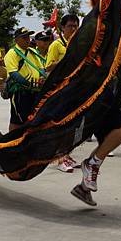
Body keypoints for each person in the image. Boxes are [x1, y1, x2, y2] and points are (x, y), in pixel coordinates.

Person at [71, 89, 121, 206]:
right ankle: (91, 165)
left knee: (107, 143)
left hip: (105, 97)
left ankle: (84, 188)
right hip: (93, 98)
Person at [45, 14, 81, 170]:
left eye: (75, 26)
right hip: (60, 88)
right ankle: (60, 159)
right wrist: (64, 60)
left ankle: (67, 154)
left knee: (71, 124)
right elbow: (48, 67)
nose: (73, 29)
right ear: (62, 28)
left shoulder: (78, 44)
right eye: (70, 26)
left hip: (74, 87)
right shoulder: (56, 45)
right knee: (60, 123)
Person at [4, 27, 46, 132]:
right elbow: (13, 73)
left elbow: (41, 68)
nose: (27, 39)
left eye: (28, 36)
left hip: (35, 90)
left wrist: (42, 78)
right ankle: (13, 143)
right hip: (20, 91)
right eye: (24, 37)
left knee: (32, 118)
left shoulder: (32, 51)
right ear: (16, 40)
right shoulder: (12, 53)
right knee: (17, 120)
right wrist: (28, 84)